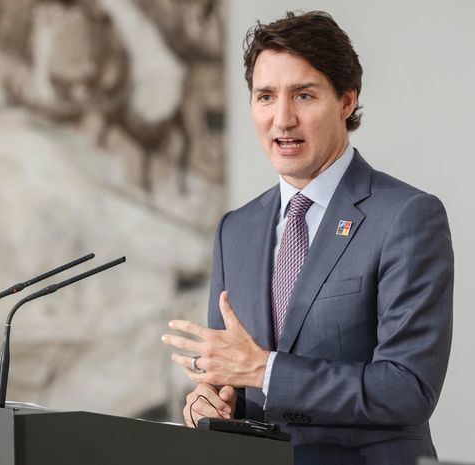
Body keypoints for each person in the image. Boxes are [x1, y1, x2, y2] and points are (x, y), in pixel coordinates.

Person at [161, 11, 453, 465]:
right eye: (265, 96)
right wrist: (209, 402)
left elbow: (407, 387)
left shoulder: (406, 216)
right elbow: (232, 377)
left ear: (346, 100)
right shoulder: (234, 230)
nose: (282, 118)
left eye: (304, 94)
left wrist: (264, 369)